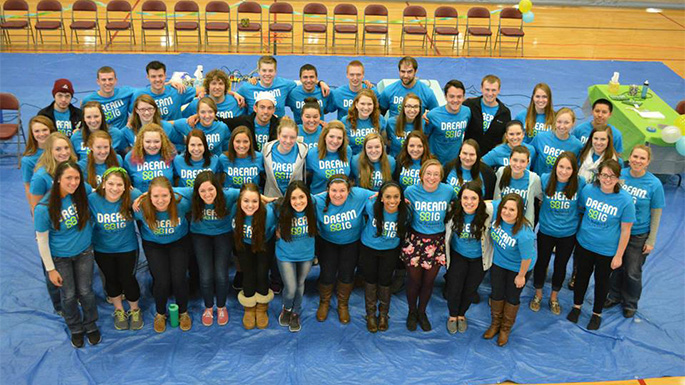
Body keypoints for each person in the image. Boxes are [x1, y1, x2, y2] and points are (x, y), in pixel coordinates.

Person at [34, 161, 100, 348]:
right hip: (60, 257)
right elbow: (42, 241)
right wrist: (50, 269)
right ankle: (76, 328)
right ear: (57, 180)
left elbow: (99, 192)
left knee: (86, 291)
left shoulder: (82, 190)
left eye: (77, 178)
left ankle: (91, 324)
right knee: (69, 295)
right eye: (68, 178)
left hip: (84, 251)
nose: (73, 182)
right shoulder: (44, 208)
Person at [567, 159, 635, 330]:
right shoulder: (588, 190)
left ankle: (596, 313)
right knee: (581, 277)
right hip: (585, 244)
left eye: (612, 176)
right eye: (604, 175)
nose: (607, 179)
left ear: (618, 178)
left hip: (607, 250)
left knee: (602, 281)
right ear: (598, 176)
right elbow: (581, 210)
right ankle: (577, 306)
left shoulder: (625, 200)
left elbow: (626, 230)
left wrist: (619, 255)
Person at [605, 145, 664, 318]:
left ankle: (630, 302)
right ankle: (613, 295)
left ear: (648, 162)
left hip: (638, 234)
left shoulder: (654, 184)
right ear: (629, 158)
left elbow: (656, 213)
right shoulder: (620, 176)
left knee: (632, 270)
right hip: (618, 230)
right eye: (635, 157)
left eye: (642, 158)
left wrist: (651, 240)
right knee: (615, 266)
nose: (638, 161)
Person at [402, 159, 456, 332]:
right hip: (415, 241)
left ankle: (422, 311)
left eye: (436, 174)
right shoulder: (411, 191)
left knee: (428, 282)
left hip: (437, 242)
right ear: (421, 175)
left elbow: (458, 204)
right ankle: (412, 312)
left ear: (441, 177)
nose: (432, 177)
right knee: (414, 281)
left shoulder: (448, 191)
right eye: (428, 173)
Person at [180, 171, 240, 327]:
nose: (207, 194)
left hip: (223, 235)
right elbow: (168, 189)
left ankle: (221, 306)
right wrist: (140, 196)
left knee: (221, 274)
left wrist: (266, 198)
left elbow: (250, 192)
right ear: (196, 191)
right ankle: (208, 307)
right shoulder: (191, 195)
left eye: (211, 189)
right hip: (200, 235)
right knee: (206, 275)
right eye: (202, 191)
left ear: (218, 188)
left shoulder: (229, 194)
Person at [313, 175, 374, 324]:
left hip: (351, 243)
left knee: (347, 274)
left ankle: (343, 304)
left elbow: (380, 194)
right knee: (327, 274)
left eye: (342, 190)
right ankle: (324, 302)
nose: (338, 195)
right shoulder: (318, 200)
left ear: (349, 191)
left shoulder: (359, 194)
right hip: (328, 242)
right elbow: (295, 198)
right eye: (334, 190)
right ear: (327, 190)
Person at [134, 176, 193, 333]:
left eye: (165, 195)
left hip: (178, 242)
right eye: (155, 196)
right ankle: (160, 313)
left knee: (179, 278)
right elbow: (125, 191)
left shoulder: (183, 203)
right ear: (149, 195)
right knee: (162, 280)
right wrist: (141, 197)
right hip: (154, 245)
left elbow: (199, 189)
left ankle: (183, 312)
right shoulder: (141, 208)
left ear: (171, 195)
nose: (160, 200)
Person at [88, 167, 143, 330]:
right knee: (111, 279)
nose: (115, 188)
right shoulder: (93, 199)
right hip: (103, 248)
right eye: (111, 183)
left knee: (128, 279)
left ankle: (135, 309)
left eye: (119, 185)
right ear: (103, 184)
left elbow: (147, 200)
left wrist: (137, 200)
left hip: (127, 247)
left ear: (126, 186)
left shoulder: (132, 195)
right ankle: (119, 310)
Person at [531, 152, 585, 315]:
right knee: (541, 263)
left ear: (574, 170)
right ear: (556, 167)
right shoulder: (546, 179)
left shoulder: (580, 183)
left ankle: (554, 297)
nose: (564, 171)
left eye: (568, 168)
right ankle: (538, 294)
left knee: (560, 266)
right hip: (546, 231)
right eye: (561, 166)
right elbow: (539, 197)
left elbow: (582, 206)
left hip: (568, 234)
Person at [483, 194, 536, 346]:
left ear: (519, 212)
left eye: (512, 210)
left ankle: (505, 329)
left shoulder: (525, 233)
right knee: (497, 294)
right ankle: (495, 324)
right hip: (499, 263)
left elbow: (527, 258)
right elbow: (489, 203)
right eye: (504, 208)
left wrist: (521, 275)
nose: (506, 212)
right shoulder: (499, 217)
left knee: (512, 298)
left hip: (518, 267)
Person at [445, 181, 494, 334]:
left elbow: (511, 203)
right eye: (465, 198)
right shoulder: (453, 210)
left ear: (480, 199)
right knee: (454, 288)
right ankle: (453, 315)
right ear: (460, 199)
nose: (469, 202)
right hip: (458, 255)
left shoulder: (489, 211)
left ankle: (461, 314)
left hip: (479, 258)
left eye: (473, 198)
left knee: (470, 289)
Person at [360, 181, 409, 332]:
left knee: (385, 281)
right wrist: (372, 194)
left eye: (396, 197)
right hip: (369, 248)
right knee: (370, 280)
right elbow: (356, 192)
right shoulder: (371, 205)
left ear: (401, 198)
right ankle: (370, 314)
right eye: (388, 197)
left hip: (390, 251)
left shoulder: (406, 211)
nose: (392, 201)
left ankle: (383, 314)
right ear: (381, 198)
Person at [275, 181, 318, 332]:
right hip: (285, 254)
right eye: (293, 198)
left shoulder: (313, 207)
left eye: (301, 197)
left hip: (306, 254)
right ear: (288, 199)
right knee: (291, 287)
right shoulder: (280, 208)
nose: (298, 202)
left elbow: (327, 195)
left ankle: (295, 312)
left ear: (308, 197)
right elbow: (262, 207)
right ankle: (286, 309)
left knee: (300, 284)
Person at [233, 183, 277, 330]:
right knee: (248, 273)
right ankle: (249, 308)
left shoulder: (269, 213)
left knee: (262, 273)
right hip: (244, 244)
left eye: (254, 201)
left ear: (260, 201)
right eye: (246, 201)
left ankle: (262, 307)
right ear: (239, 201)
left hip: (264, 243)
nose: (250, 205)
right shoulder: (234, 210)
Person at [424, 80, 471, 164]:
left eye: (459, 97)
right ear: (445, 96)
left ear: (464, 97)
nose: (455, 100)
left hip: (455, 163)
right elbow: (424, 136)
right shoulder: (433, 115)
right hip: (435, 162)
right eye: (451, 96)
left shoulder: (467, 112)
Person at [131, 61, 197, 121]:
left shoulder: (176, 91)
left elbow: (202, 90)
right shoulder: (139, 95)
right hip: (151, 132)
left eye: (160, 76)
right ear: (148, 77)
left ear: (165, 76)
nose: (157, 79)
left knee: (197, 103)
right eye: (153, 76)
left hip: (174, 132)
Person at [463, 75, 512, 156]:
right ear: (481, 88)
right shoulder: (469, 105)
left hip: (490, 159)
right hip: (469, 156)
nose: (490, 93)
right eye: (487, 89)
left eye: (493, 90)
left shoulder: (505, 113)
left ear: (499, 90)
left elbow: (505, 139)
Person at [29, 132, 79, 212]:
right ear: (50, 151)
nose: (64, 152)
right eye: (58, 149)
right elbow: (36, 210)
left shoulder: (73, 168)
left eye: (66, 148)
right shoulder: (40, 177)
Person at [493, 146, 542, 224]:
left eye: (522, 161)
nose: (518, 165)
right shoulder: (501, 172)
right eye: (515, 160)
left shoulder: (533, 179)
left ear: (528, 162)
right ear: (510, 160)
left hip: (522, 226)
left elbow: (542, 197)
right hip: (500, 222)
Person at [263, 117, 309, 197]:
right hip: (272, 199)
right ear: (278, 135)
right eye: (284, 136)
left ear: (297, 137)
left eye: (292, 137)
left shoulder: (303, 151)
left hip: (295, 199)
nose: (288, 141)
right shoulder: (266, 150)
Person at [530, 107, 583, 176]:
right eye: (559, 122)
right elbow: (529, 155)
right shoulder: (541, 137)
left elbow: (576, 169)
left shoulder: (577, 145)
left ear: (573, 123)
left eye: (566, 123)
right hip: (539, 182)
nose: (562, 126)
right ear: (554, 121)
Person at [123, 124, 175, 192]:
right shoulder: (130, 157)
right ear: (141, 142)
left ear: (162, 141)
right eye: (148, 142)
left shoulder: (170, 155)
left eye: (156, 141)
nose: (152, 145)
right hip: (140, 199)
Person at [82, 66, 136, 130]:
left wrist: (133, 115)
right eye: (103, 80)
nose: (107, 83)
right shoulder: (89, 100)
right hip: (101, 136)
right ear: (98, 81)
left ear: (116, 80)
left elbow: (143, 93)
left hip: (122, 136)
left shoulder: (125, 92)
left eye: (110, 79)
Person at [305, 121, 352, 194]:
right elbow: (306, 178)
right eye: (331, 136)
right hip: (319, 198)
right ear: (324, 136)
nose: (335, 141)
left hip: (340, 197)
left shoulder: (347, 151)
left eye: (339, 138)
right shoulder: (312, 154)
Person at [22, 116, 56, 204]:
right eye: (37, 131)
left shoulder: (61, 150)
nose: (41, 134)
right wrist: (34, 208)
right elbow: (28, 185)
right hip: (44, 202)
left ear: (51, 130)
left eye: (44, 130)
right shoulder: (28, 160)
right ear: (32, 134)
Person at [342, 89, 386, 155]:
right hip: (354, 160)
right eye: (362, 104)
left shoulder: (380, 119)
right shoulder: (346, 121)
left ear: (374, 105)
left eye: (369, 104)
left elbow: (384, 142)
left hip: (374, 157)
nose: (366, 108)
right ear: (356, 104)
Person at [385, 93, 422, 158]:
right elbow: (387, 141)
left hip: (414, 163)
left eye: (416, 106)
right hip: (396, 162)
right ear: (403, 107)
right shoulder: (391, 122)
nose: (412, 110)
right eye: (409, 106)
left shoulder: (424, 123)